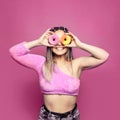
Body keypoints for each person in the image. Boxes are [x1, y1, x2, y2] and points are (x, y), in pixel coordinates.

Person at [9, 26, 109, 120]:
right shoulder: (41, 63)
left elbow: (103, 56)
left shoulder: (76, 64)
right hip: (47, 116)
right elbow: (14, 52)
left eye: (64, 40)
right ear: (50, 42)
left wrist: (79, 44)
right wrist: (38, 42)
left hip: (72, 117)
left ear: (69, 42)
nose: (59, 44)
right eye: (55, 39)